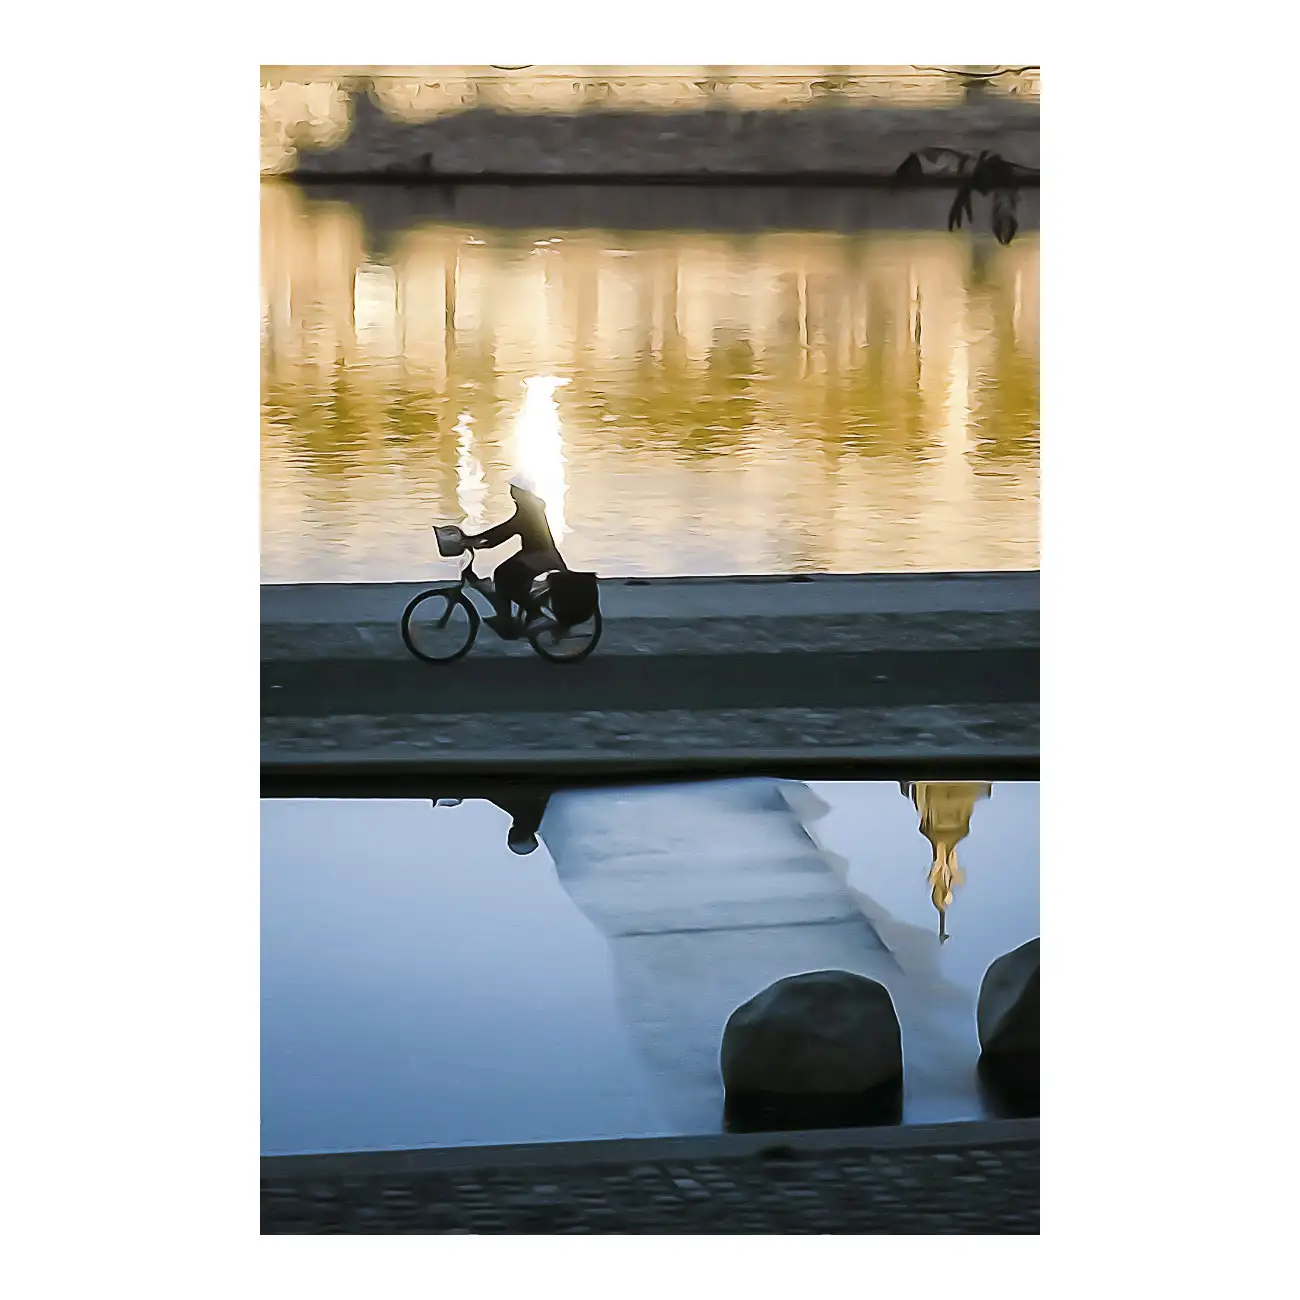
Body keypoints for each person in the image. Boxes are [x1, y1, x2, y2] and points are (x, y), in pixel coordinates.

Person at [466, 473, 566, 637]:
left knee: (503, 577)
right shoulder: (528, 508)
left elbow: (506, 530)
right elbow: (505, 529)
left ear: (522, 492)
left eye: (514, 488)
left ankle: (535, 615)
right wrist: (479, 540)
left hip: (540, 556)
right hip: (534, 554)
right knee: (504, 575)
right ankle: (507, 619)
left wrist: (478, 540)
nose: (511, 491)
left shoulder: (528, 511)